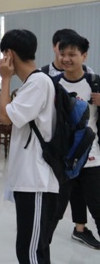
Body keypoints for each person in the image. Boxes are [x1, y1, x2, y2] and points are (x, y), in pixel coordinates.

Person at [0, 29, 58, 264]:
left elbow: (4, 118)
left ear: (9, 55)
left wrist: (4, 79)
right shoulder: (35, 83)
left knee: (30, 251)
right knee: (34, 249)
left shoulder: (38, 83)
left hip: (37, 182)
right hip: (30, 181)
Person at [40, 29, 100, 249]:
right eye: (63, 54)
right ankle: (40, 254)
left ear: (84, 56)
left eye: (72, 54)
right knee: (53, 211)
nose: (66, 59)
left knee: (98, 207)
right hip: (61, 160)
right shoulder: (51, 84)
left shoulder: (95, 82)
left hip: (92, 157)